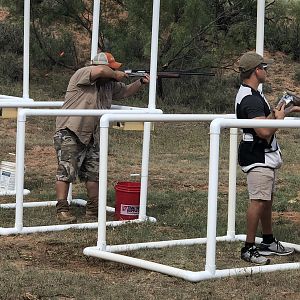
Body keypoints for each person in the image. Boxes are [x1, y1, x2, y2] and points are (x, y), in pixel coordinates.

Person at [53, 52, 150, 223]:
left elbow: (126, 91)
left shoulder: (108, 85)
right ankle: (62, 209)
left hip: (90, 133)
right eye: (111, 68)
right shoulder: (83, 73)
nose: (114, 72)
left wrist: (140, 82)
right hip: (70, 130)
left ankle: (93, 210)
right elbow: (99, 72)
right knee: (66, 171)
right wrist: (115, 74)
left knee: (93, 174)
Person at [235, 51, 294, 265]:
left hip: (262, 156)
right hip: (258, 156)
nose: (266, 71)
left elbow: (265, 120)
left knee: (265, 200)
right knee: (258, 201)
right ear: (256, 71)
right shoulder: (250, 98)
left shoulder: (252, 93)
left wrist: (287, 108)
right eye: (264, 68)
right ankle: (248, 248)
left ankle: (267, 240)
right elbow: (264, 131)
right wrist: (278, 119)